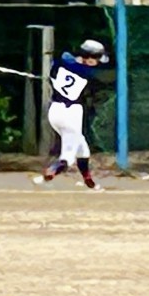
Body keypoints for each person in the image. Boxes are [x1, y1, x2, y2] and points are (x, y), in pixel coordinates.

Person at [33, 39, 109, 189]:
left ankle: (89, 182)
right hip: (71, 113)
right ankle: (49, 173)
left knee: (83, 150)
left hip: (55, 111)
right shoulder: (87, 72)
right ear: (88, 57)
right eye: (96, 59)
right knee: (68, 157)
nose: (97, 63)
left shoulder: (62, 63)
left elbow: (58, 65)